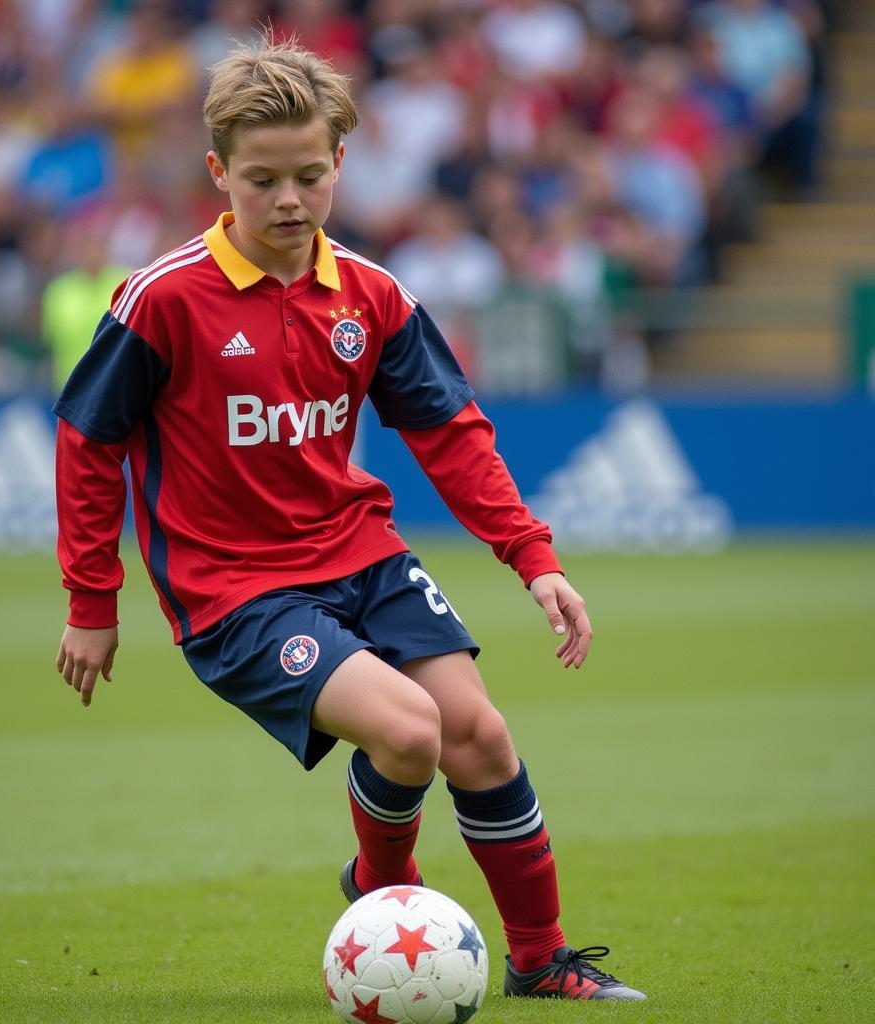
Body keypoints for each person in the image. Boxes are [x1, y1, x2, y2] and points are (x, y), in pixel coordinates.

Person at [53, 35, 646, 1005]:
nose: (288, 200)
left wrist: (533, 559)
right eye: (261, 181)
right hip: (234, 591)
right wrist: (92, 596)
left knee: (481, 737)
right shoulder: (162, 299)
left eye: (307, 176)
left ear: (339, 162)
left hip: (360, 556)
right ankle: (384, 895)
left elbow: (452, 433)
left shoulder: (371, 296)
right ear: (218, 174)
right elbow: (89, 442)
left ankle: (540, 959)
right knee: (410, 733)